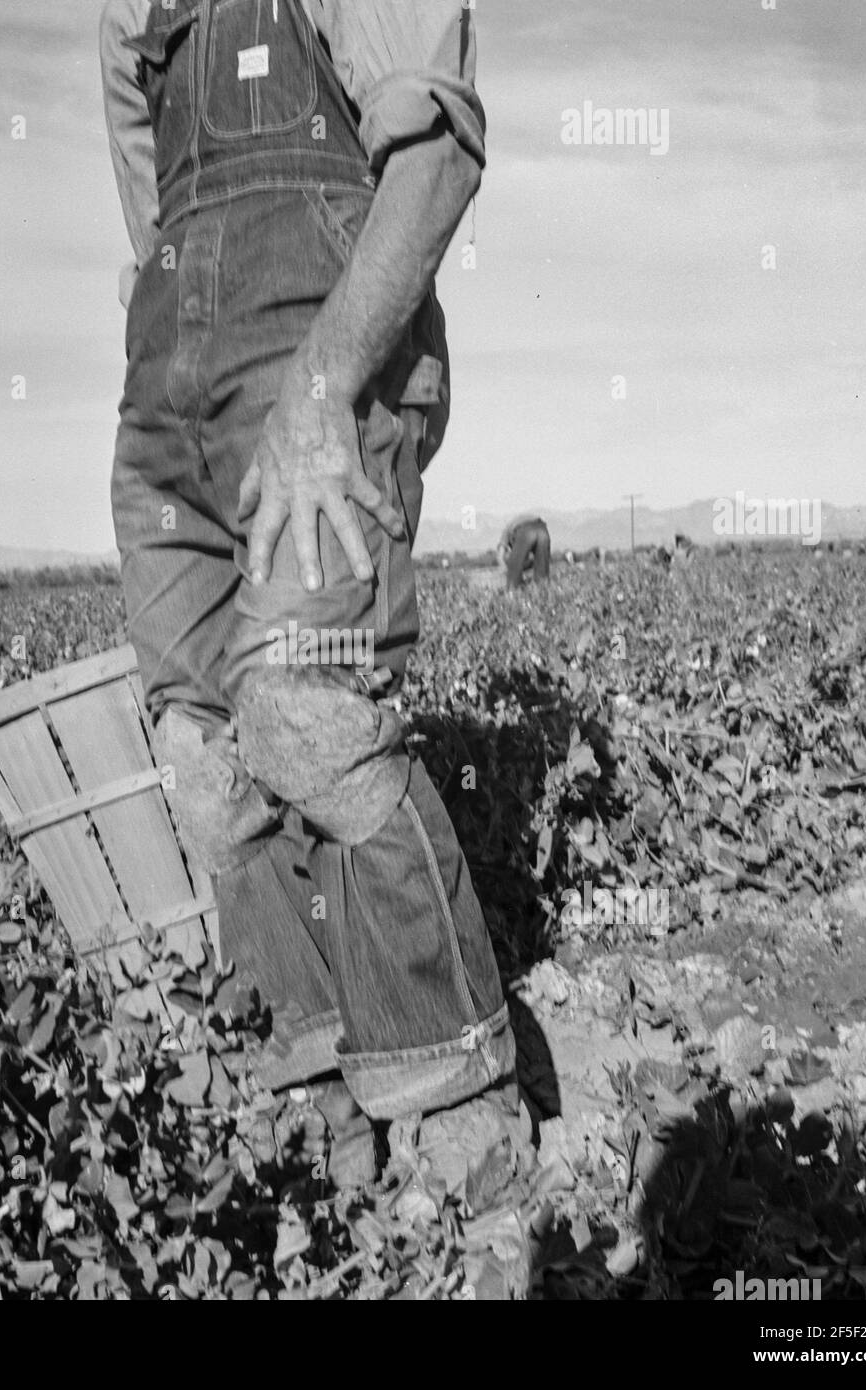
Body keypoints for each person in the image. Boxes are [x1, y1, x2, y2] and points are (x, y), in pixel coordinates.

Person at [99, 0, 531, 1274]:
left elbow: (435, 157)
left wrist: (324, 382)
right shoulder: (130, 11)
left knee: (311, 722)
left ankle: (457, 1100)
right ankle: (304, 1088)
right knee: (207, 760)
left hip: (315, 350)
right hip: (171, 385)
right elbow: (150, 207)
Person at [498, 514, 551, 586]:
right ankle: (542, 589)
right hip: (542, 529)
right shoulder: (517, 523)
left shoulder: (507, 530)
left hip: (525, 529)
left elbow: (500, 555)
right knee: (542, 578)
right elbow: (533, 559)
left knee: (513, 581)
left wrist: (505, 568)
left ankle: (514, 592)